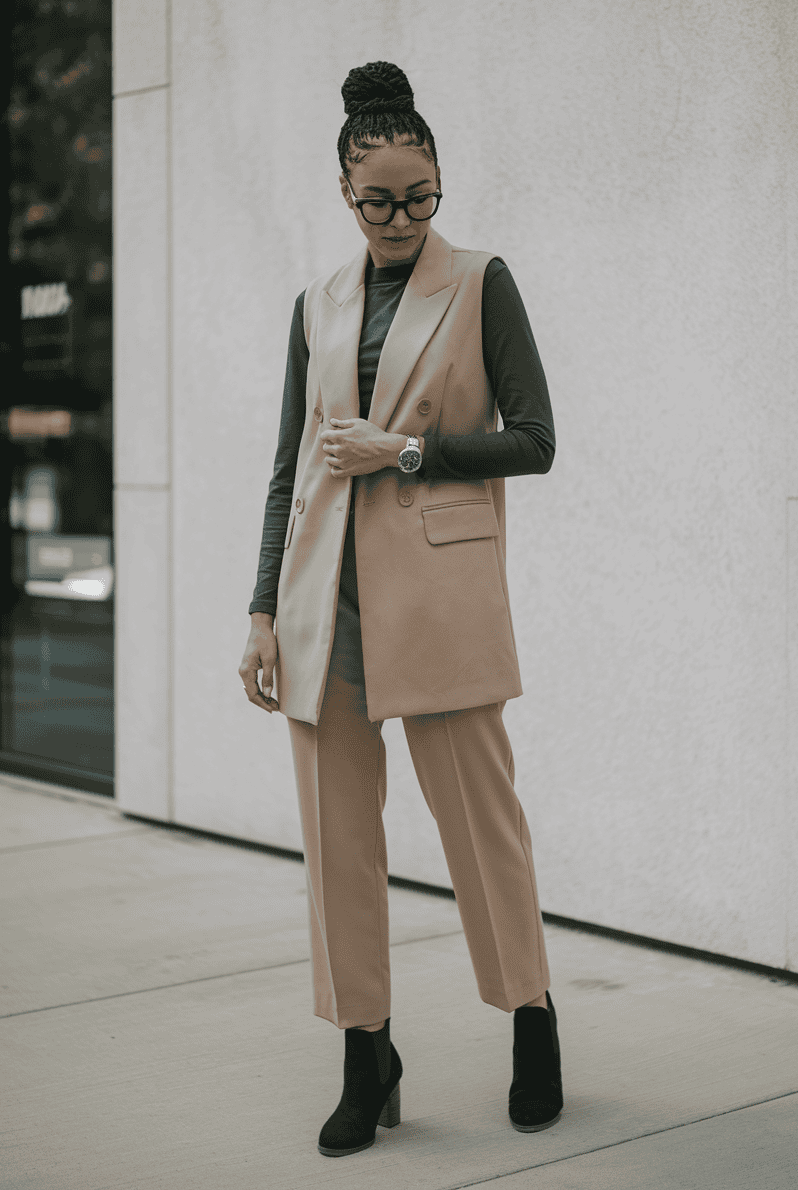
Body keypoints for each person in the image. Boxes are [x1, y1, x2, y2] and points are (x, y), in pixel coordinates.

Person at [239, 60, 562, 1159]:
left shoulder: (482, 282)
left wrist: (407, 450)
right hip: (324, 603)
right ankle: (365, 1051)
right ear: (343, 188)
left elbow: (536, 438)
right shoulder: (313, 304)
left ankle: (533, 1020)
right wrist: (259, 609)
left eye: (419, 198)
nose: (400, 219)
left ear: (438, 182)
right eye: (378, 201)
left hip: (441, 597)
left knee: (483, 826)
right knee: (337, 845)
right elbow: (289, 467)